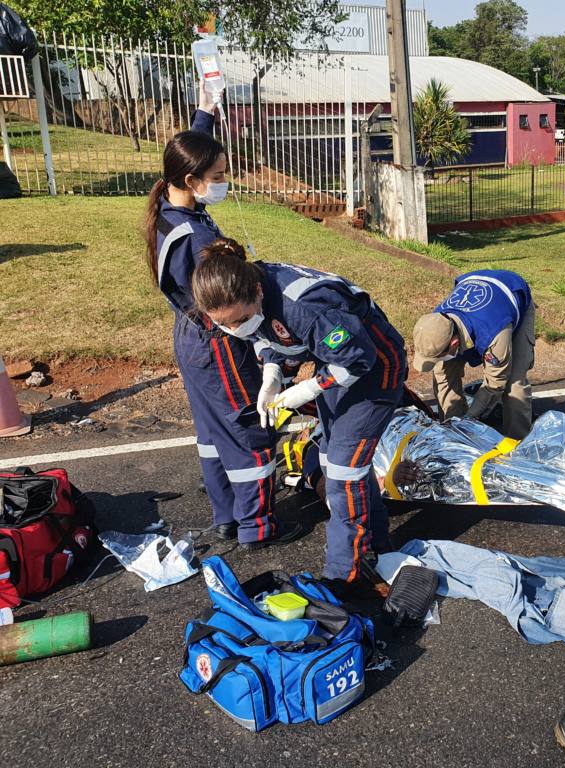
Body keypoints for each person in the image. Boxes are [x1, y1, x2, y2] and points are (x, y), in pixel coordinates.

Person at [190, 238, 407, 592]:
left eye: (239, 320)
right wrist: (272, 376)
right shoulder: (247, 294)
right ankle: (377, 542)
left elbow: (358, 358)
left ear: (258, 292)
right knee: (333, 458)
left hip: (374, 366)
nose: (234, 329)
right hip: (336, 364)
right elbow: (264, 336)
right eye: (224, 325)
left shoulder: (305, 306)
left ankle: (345, 576)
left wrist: (308, 388)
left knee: (342, 473)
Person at [143, 87, 297, 549]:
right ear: (191, 180)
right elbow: (225, 302)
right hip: (217, 340)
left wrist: (205, 110)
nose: (224, 181)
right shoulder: (191, 237)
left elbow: (192, 144)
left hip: (190, 339)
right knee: (247, 426)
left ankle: (227, 515)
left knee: (212, 432)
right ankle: (256, 527)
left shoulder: (171, 206)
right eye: (219, 174)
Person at [411, 269, 535, 440]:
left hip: (511, 294)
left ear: (454, 344)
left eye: (438, 355)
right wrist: (457, 426)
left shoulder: (494, 334)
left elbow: (495, 382)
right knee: (443, 373)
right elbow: (443, 378)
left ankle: (517, 443)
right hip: (475, 290)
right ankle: (454, 435)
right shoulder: (438, 323)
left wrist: (469, 418)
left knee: (514, 384)